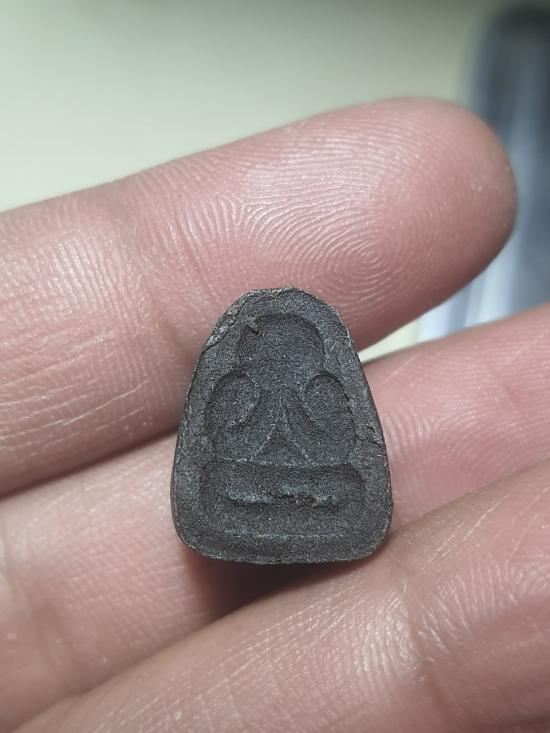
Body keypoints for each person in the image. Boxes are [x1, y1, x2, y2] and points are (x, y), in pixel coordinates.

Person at [1, 98, 548, 733]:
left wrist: (303, 443)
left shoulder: (318, 390)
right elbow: (230, 447)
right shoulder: (241, 386)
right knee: (230, 481)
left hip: (314, 489)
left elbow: (330, 451)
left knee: (337, 488)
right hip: (247, 487)